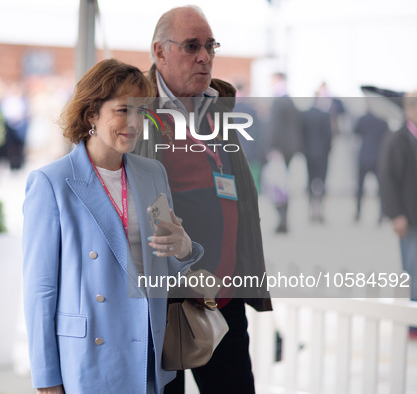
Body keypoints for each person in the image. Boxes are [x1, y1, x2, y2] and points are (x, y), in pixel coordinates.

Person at [22, 59, 204, 394]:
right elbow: (40, 291)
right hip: (90, 355)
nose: (135, 123)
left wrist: (183, 250)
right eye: (123, 110)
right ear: (92, 113)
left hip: (147, 350)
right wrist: (47, 378)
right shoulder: (52, 183)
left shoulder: (152, 174)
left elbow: (162, 267)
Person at [134, 6, 272, 393]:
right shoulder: (134, 110)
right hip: (164, 308)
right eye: (192, 46)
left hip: (223, 301)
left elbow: (238, 195)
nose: (205, 56)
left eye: (210, 46)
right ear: (159, 52)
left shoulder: (218, 107)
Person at [378, 89, 417, 340]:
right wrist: (395, 214)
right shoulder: (398, 139)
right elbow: (387, 179)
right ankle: (413, 324)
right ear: (410, 109)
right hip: (411, 214)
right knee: (413, 269)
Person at [267, 72, 303, 233]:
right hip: (288, 149)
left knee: (277, 186)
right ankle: (283, 221)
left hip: (280, 150)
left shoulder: (280, 102)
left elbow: (276, 128)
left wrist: (274, 148)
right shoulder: (289, 102)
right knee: (283, 186)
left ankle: (282, 221)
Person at [354, 107, 389, 223]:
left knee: (360, 187)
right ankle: (381, 214)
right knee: (381, 188)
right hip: (377, 157)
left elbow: (356, 132)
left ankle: (358, 212)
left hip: (364, 156)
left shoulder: (363, 119)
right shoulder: (383, 121)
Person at [301, 97, 333, 223]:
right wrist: (327, 150)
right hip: (322, 154)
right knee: (322, 182)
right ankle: (320, 211)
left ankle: (310, 211)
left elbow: (302, 133)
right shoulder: (325, 115)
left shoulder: (306, 115)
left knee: (310, 181)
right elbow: (329, 136)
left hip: (309, 153)